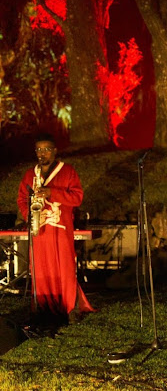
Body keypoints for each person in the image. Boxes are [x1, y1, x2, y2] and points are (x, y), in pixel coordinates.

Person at [16, 133, 95, 323]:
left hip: (60, 230)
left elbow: (77, 198)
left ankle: (69, 308)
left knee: (64, 268)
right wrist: (30, 215)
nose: (42, 153)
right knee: (41, 269)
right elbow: (21, 199)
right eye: (39, 150)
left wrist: (52, 192)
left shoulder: (68, 171)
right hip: (40, 230)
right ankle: (42, 307)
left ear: (55, 151)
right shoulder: (29, 174)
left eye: (46, 149)